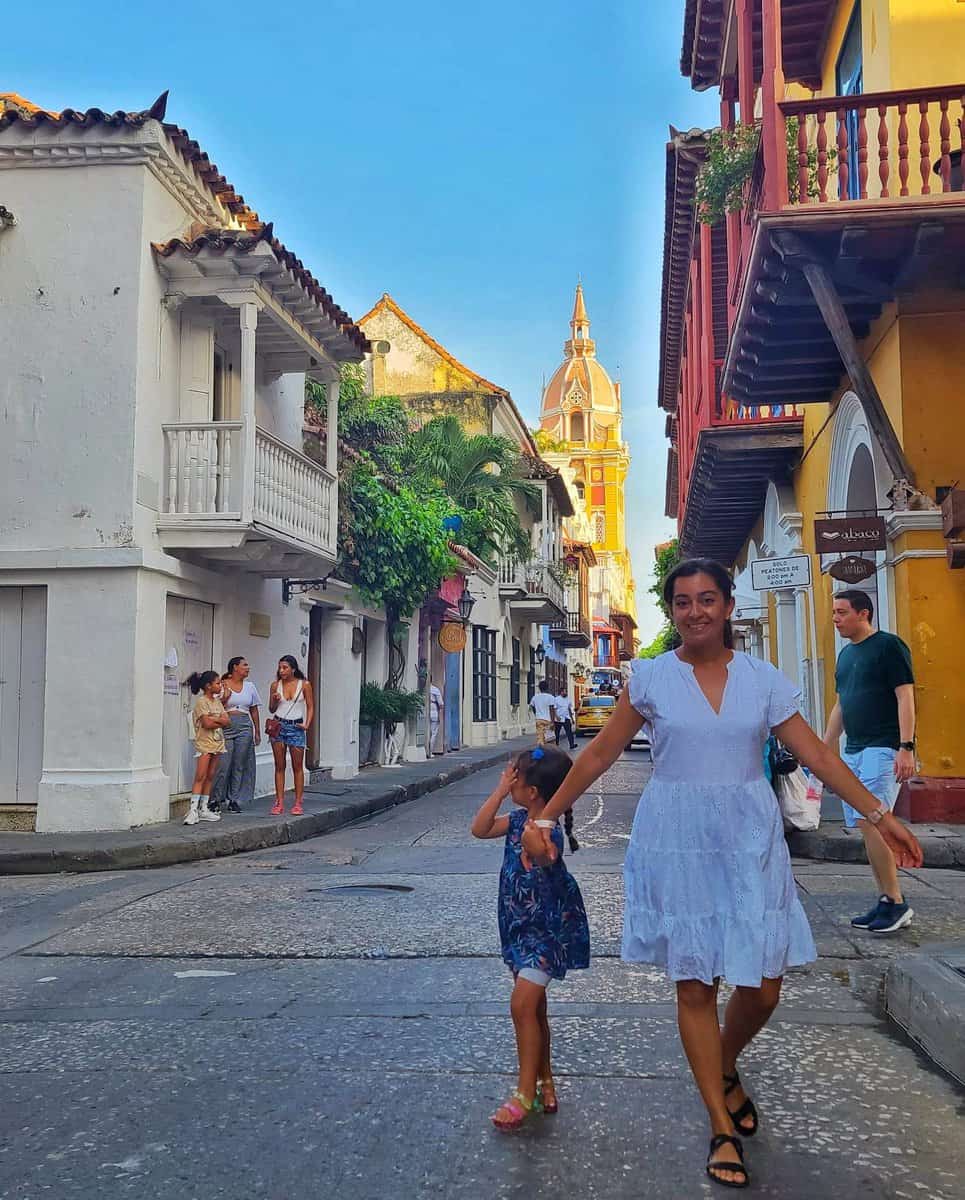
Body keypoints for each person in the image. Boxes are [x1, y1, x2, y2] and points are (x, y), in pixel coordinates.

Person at [523, 558, 922, 1190]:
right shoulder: (650, 678)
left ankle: (722, 1063)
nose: (695, 612)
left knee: (764, 986)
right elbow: (599, 751)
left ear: (729, 606)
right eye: (682, 602)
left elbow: (816, 752)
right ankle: (719, 1124)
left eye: (707, 599)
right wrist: (544, 818)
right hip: (676, 837)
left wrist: (879, 814)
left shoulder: (763, 680)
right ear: (673, 611)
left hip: (747, 836)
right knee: (694, 984)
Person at [470, 746, 588, 1130]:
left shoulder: (543, 831)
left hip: (545, 936)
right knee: (534, 1012)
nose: (512, 779)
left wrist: (537, 843)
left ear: (533, 790)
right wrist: (501, 791)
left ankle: (524, 1095)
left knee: (521, 1006)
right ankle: (544, 1081)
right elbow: (480, 828)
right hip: (517, 930)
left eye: (516, 777)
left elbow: (544, 856)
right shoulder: (519, 819)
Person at [823, 589, 917, 934]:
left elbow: (905, 694)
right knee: (866, 826)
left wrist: (906, 746)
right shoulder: (846, 656)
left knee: (873, 820)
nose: (835, 618)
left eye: (841, 612)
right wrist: (825, 748)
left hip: (884, 746)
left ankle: (896, 900)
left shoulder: (889, 646)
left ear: (863, 614)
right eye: (834, 612)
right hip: (855, 749)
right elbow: (841, 704)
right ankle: (886, 900)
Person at [210, 657, 262, 813]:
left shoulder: (250, 686)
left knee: (239, 763)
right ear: (235, 668)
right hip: (227, 723)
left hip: (245, 724)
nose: (248, 667)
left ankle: (234, 798)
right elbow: (216, 706)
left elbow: (253, 709)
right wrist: (225, 696)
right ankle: (216, 798)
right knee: (223, 764)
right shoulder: (223, 684)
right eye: (244, 665)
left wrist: (257, 730)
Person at [267, 655, 314, 817]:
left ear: (293, 668)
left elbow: (310, 706)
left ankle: (298, 802)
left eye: (285, 668)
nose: (282, 671)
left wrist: (307, 724)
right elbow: (271, 709)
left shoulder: (304, 684)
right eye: (280, 668)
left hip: (296, 726)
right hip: (279, 725)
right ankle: (279, 802)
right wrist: (274, 700)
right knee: (279, 766)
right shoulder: (275, 686)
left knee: (297, 766)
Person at [183, 671, 230, 826]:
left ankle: (204, 807)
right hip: (205, 743)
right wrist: (218, 721)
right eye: (217, 683)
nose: (220, 686)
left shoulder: (217, 702)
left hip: (217, 742)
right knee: (200, 776)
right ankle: (193, 809)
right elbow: (206, 724)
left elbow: (227, 720)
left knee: (210, 775)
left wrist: (214, 719)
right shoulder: (202, 702)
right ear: (208, 686)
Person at [529, 680, 556, 746]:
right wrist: (553, 722)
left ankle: (540, 752)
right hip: (548, 720)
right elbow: (551, 710)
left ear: (539, 688)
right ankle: (550, 752)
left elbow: (532, 706)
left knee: (540, 738)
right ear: (547, 688)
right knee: (550, 739)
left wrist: (536, 713)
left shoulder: (535, 697)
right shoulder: (551, 697)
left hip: (539, 720)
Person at [429, 680, 444, 755]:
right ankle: (430, 751)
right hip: (434, 711)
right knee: (433, 733)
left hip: (424, 712)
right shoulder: (435, 689)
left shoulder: (422, 690)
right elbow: (441, 704)